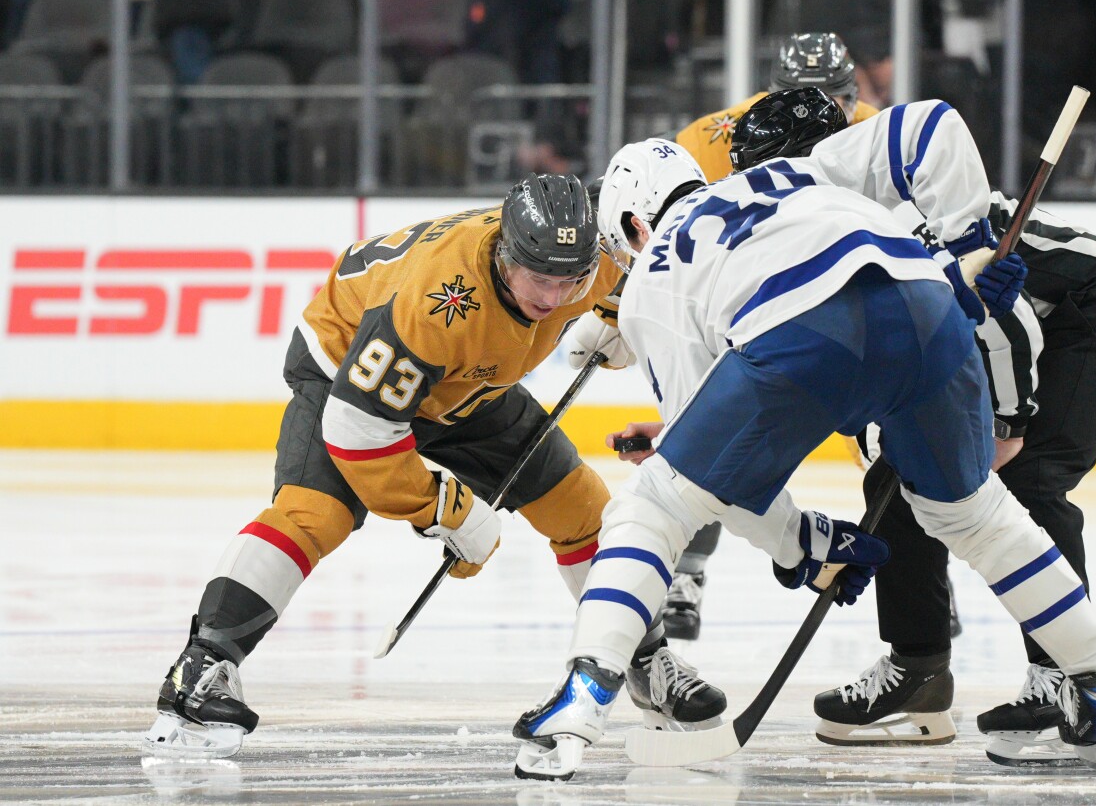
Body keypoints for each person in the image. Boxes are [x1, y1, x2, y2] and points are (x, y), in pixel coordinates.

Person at [512, 92, 1096, 780]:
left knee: (651, 509)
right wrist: (968, 246)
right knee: (979, 519)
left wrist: (802, 543)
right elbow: (933, 123)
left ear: (636, 226)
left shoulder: (654, 277)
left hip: (801, 326)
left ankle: (583, 699)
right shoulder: (799, 172)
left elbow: (716, 489)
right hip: (927, 304)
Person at [141, 174, 724, 760]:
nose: (552, 298)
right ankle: (201, 669)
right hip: (346, 376)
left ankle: (644, 661)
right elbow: (360, 429)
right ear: (506, 252)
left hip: (469, 385)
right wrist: (442, 508)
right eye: (540, 280)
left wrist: (615, 310)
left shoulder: (588, 251)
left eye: (570, 281)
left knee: (585, 510)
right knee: (314, 514)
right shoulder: (434, 301)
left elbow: (631, 265)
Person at [729, 97, 1096, 760]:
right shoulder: (823, 229)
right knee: (895, 482)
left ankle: (1069, 676)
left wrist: (1008, 422)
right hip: (1010, 335)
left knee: (1034, 481)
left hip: (1087, 315)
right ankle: (919, 668)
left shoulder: (890, 218)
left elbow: (1003, 322)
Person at [664, 36, 963, 642]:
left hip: (844, 305)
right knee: (700, 436)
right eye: (812, 98)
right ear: (777, 94)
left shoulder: (872, 130)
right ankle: (685, 575)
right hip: (742, 310)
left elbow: (908, 227)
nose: (829, 111)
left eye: (840, 97)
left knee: (888, 448)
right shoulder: (710, 139)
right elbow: (671, 241)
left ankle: (924, 578)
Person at [674, 31, 882, 184]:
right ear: (773, 98)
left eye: (826, 104)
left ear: (851, 100)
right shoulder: (715, 136)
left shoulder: (873, 128)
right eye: (799, 105)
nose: (810, 120)